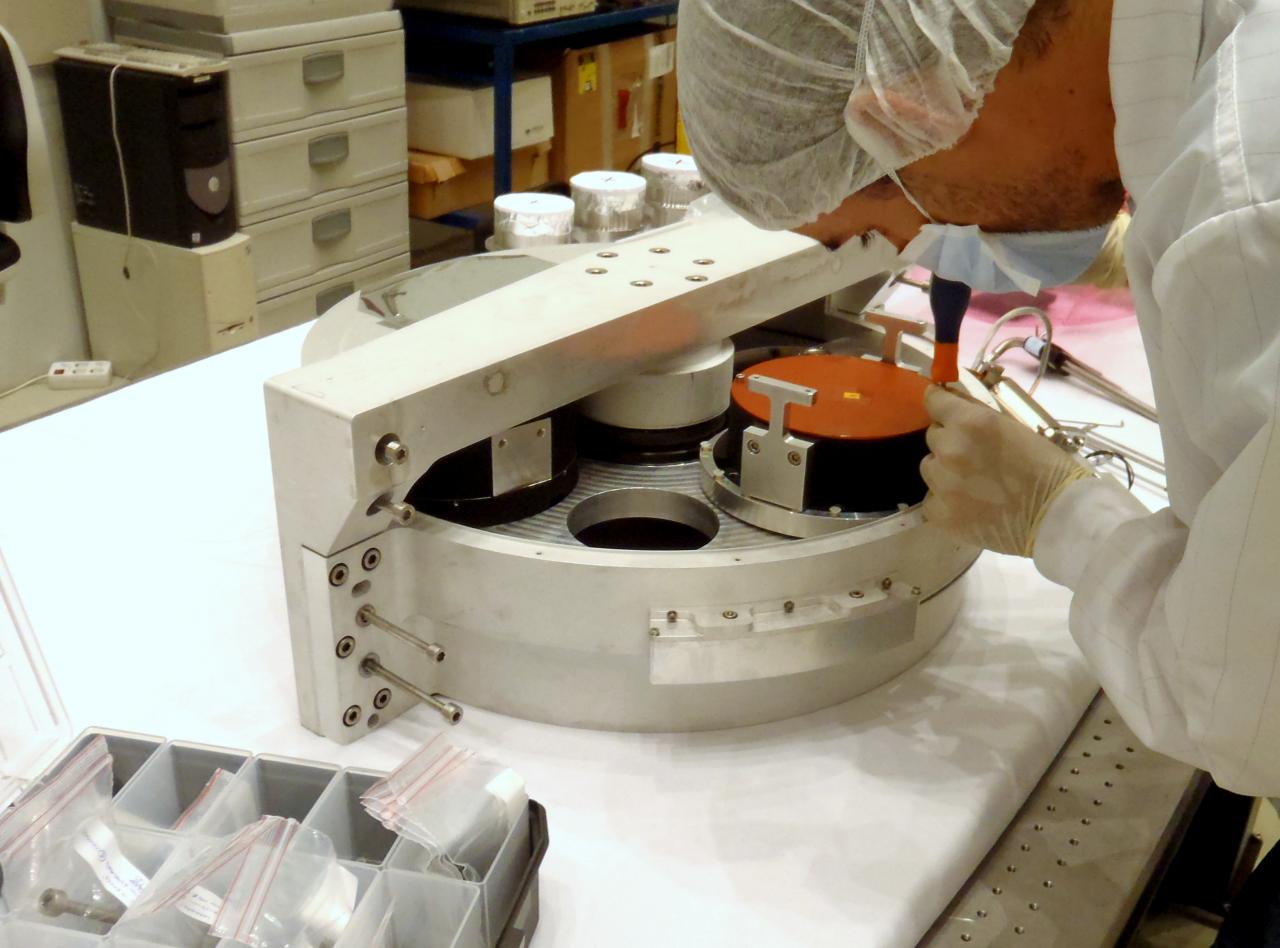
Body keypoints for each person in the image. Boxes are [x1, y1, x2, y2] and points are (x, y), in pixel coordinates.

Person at [679, 0, 1280, 939]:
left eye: (894, 218)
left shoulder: (1247, 200)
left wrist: (1062, 514)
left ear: (920, 93)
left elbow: (1250, 712)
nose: (937, 240)